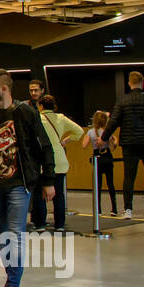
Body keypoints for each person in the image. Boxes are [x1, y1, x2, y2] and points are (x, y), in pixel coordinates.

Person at [0, 68, 56, 287]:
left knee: (16, 234)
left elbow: (45, 146)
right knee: (1, 235)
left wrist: (48, 180)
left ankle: (13, 286)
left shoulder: (25, 113)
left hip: (19, 184)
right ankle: (11, 275)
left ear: (4, 88)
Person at [102, 71, 144, 221]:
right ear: (142, 83)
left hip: (130, 144)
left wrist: (103, 138)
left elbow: (113, 121)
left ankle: (128, 210)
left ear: (129, 83)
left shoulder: (122, 100)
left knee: (129, 177)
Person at [31, 95, 85, 233]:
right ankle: (60, 225)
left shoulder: (38, 118)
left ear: (40, 106)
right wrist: (66, 140)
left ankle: (40, 224)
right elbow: (79, 131)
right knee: (59, 194)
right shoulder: (61, 118)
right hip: (60, 160)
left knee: (39, 194)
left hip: (42, 160)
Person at [82, 110, 119, 215]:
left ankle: (98, 209)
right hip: (107, 155)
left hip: (96, 156)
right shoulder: (108, 131)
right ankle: (114, 209)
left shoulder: (91, 132)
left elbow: (84, 145)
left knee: (98, 184)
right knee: (110, 183)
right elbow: (113, 146)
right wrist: (114, 141)